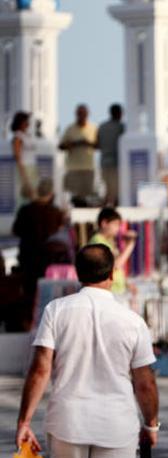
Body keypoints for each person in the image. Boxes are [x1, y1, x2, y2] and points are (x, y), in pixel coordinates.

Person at [15, 244, 159, 458]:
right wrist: (151, 425)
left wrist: (24, 421)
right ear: (112, 274)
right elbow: (145, 382)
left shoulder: (56, 311)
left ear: (78, 273)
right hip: (116, 424)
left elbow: (40, 369)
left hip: (67, 422)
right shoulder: (133, 321)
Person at [13, 178, 65, 326]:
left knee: (29, 294)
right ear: (51, 193)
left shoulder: (25, 210)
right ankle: (46, 325)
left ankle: (28, 324)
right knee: (48, 296)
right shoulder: (55, 212)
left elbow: (15, 230)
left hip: (28, 260)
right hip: (49, 263)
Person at [88, 207, 137, 295]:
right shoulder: (98, 241)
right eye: (115, 224)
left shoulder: (108, 242)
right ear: (104, 223)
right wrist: (130, 245)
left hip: (115, 290)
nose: (118, 228)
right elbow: (115, 265)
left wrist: (126, 284)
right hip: (110, 291)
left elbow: (116, 270)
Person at [59, 104, 98, 203]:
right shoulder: (70, 128)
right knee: (72, 198)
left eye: (83, 114)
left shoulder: (94, 128)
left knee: (87, 198)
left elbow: (99, 145)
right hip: (73, 168)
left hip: (88, 168)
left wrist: (88, 143)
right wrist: (74, 144)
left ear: (87, 114)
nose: (81, 116)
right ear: (76, 114)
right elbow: (61, 146)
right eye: (79, 114)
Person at [96, 103, 125, 205]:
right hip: (116, 164)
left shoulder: (102, 127)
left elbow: (97, 145)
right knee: (115, 193)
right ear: (120, 113)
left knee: (106, 191)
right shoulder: (122, 127)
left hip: (103, 163)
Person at [11, 111, 37, 206]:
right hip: (24, 168)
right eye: (25, 121)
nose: (27, 123)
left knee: (34, 195)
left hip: (32, 168)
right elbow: (17, 156)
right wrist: (23, 175)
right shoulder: (18, 136)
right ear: (20, 122)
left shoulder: (28, 135)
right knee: (24, 195)